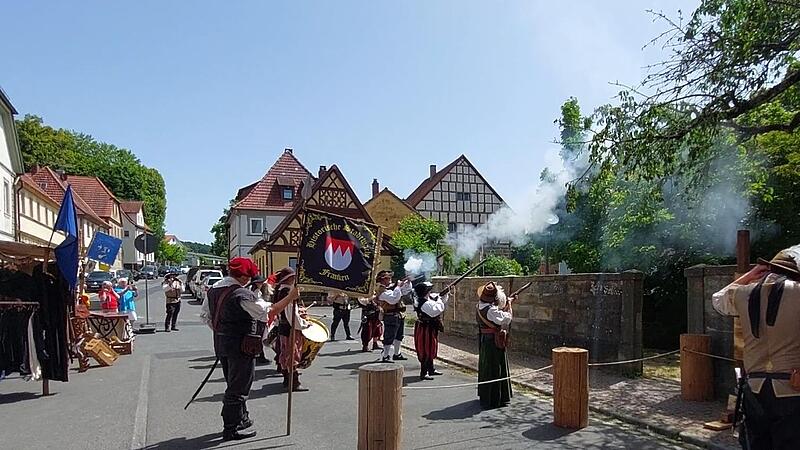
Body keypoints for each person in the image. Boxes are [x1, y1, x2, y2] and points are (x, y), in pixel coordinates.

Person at [199, 257, 298, 441]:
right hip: (240, 346)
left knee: (234, 383)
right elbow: (268, 311)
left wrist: (222, 332)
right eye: (248, 276)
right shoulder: (241, 294)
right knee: (238, 387)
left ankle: (241, 418)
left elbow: (206, 316)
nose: (249, 280)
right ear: (243, 276)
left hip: (222, 344)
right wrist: (290, 297)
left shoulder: (214, 289)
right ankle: (231, 427)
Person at [712, 246, 800, 450]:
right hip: (792, 390)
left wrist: (749, 275)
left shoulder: (743, 293)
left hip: (754, 388)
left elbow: (718, 300)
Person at [270, 267, 311, 391]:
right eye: (292, 277)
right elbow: (290, 314)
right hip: (290, 328)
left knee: (286, 353)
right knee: (292, 354)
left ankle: (287, 380)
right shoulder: (287, 292)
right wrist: (304, 324)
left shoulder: (280, 291)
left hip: (283, 326)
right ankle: (294, 383)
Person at [476, 281, 515, 409]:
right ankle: (495, 398)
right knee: (495, 368)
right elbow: (507, 318)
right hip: (493, 341)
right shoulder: (491, 309)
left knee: (487, 368)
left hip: (485, 339)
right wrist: (509, 304)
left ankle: (486, 396)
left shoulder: (480, 306)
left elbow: (495, 316)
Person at [413, 282, 448, 381]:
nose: (430, 292)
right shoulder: (423, 303)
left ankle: (431, 369)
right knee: (425, 350)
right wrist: (440, 300)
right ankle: (423, 373)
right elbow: (436, 310)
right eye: (428, 290)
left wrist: (444, 294)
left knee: (431, 348)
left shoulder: (428, 299)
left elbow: (439, 301)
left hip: (430, 327)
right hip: (425, 328)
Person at [376, 270, 412, 362]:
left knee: (399, 336)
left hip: (399, 314)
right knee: (389, 337)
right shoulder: (381, 290)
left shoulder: (390, 288)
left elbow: (405, 291)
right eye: (387, 278)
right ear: (382, 280)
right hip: (390, 315)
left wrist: (407, 283)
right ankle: (385, 356)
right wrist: (398, 286)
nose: (390, 279)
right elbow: (393, 299)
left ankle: (397, 353)